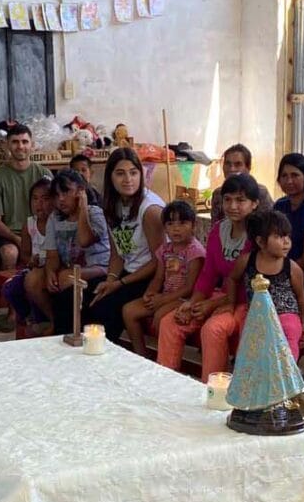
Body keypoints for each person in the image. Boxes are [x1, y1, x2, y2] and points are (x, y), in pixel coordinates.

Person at [156, 174, 259, 380]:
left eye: (240, 200)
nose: (233, 206)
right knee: (171, 322)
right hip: (221, 297)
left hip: (249, 302)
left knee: (213, 329)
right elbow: (208, 274)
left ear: (254, 204)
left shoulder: (258, 235)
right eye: (228, 199)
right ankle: (166, 384)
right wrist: (192, 303)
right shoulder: (217, 231)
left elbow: (250, 286)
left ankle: (211, 390)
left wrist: (211, 305)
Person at [85, 148, 166, 342]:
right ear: (110, 177)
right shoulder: (112, 206)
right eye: (120, 173)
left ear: (141, 175)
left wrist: (118, 284)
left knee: (105, 308)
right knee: (85, 296)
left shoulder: (150, 210)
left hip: (153, 277)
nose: (128, 179)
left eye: (133, 172)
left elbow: (159, 260)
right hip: (127, 273)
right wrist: (111, 279)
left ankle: (108, 360)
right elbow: (117, 254)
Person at [25, 170, 110, 335]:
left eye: (66, 192)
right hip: (70, 268)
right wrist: (49, 271)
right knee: (33, 279)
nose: (61, 199)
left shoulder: (95, 213)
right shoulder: (55, 218)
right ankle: (54, 321)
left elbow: (85, 240)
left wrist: (83, 208)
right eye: (56, 195)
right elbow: (52, 254)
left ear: (80, 191)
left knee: (66, 277)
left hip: (99, 268)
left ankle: (71, 327)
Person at [122, 200, 206, 356]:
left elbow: (190, 287)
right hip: (166, 295)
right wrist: (150, 293)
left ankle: (166, 359)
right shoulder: (165, 249)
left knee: (160, 317)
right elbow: (158, 278)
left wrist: (162, 300)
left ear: (194, 226)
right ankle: (141, 355)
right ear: (165, 228)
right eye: (170, 223)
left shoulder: (195, 252)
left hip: (184, 299)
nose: (176, 228)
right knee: (128, 311)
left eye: (182, 223)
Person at [227, 210, 304, 359]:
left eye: (287, 236)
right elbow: (232, 279)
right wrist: (230, 304)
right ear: (260, 242)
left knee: (289, 332)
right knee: (249, 338)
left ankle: (286, 374)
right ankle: (249, 374)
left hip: (286, 314)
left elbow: (301, 297)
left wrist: (301, 322)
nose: (286, 242)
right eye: (278, 236)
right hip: (257, 314)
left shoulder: (291, 267)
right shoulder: (246, 261)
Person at [0, 123, 52, 270]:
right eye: (15, 142)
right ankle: (10, 291)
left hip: (42, 233)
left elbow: (55, 212)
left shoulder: (44, 174)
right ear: (7, 145)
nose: (20, 146)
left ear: (32, 145)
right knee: (10, 253)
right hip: (10, 236)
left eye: (24, 142)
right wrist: (19, 240)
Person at [0, 177, 52, 326]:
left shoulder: (57, 223)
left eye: (45, 198)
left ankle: (45, 319)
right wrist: (30, 260)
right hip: (34, 267)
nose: (39, 204)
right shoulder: (29, 225)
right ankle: (28, 316)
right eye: (35, 199)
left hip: (52, 268)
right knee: (10, 288)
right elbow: (24, 254)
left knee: (40, 289)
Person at [272, 152, 304, 270]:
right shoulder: (280, 205)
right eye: (284, 176)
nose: (289, 181)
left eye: (295, 175)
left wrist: (283, 276)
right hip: (283, 265)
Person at [209, 143, 273, 223]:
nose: (231, 169)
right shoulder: (218, 194)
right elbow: (215, 226)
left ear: (248, 167)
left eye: (238, 164)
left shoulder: (260, 192)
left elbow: (269, 226)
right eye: (228, 164)